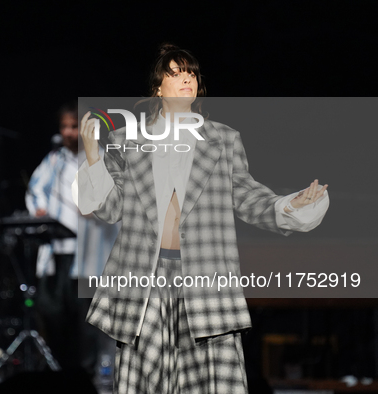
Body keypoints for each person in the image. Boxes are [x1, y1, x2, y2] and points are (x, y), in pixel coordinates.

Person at [73, 44, 329, 393]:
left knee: (214, 381)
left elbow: (246, 195)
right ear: (158, 88)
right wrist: (93, 157)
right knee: (146, 382)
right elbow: (111, 208)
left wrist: (289, 205)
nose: (186, 79)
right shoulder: (127, 141)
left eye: (191, 73)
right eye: (175, 73)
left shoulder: (223, 140)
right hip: (145, 278)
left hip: (206, 276)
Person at [25, 102, 119, 374]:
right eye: (64, 127)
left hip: (88, 253)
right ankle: (62, 371)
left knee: (85, 321)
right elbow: (34, 190)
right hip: (57, 251)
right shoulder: (53, 161)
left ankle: (87, 375)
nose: (68, 132)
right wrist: (38, 208)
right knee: (51, 310)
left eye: (74, 126)